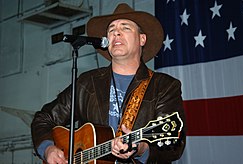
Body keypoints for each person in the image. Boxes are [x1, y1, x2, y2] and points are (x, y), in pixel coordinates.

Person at [31, 3, 186, 164]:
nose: (116, 32)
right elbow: (43, 118)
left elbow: (176, 146)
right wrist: (48, 149)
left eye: (125, 28)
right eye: (111, 30)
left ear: (142, 39)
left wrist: (141, 148)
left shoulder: (164, 86)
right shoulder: (87, 82)